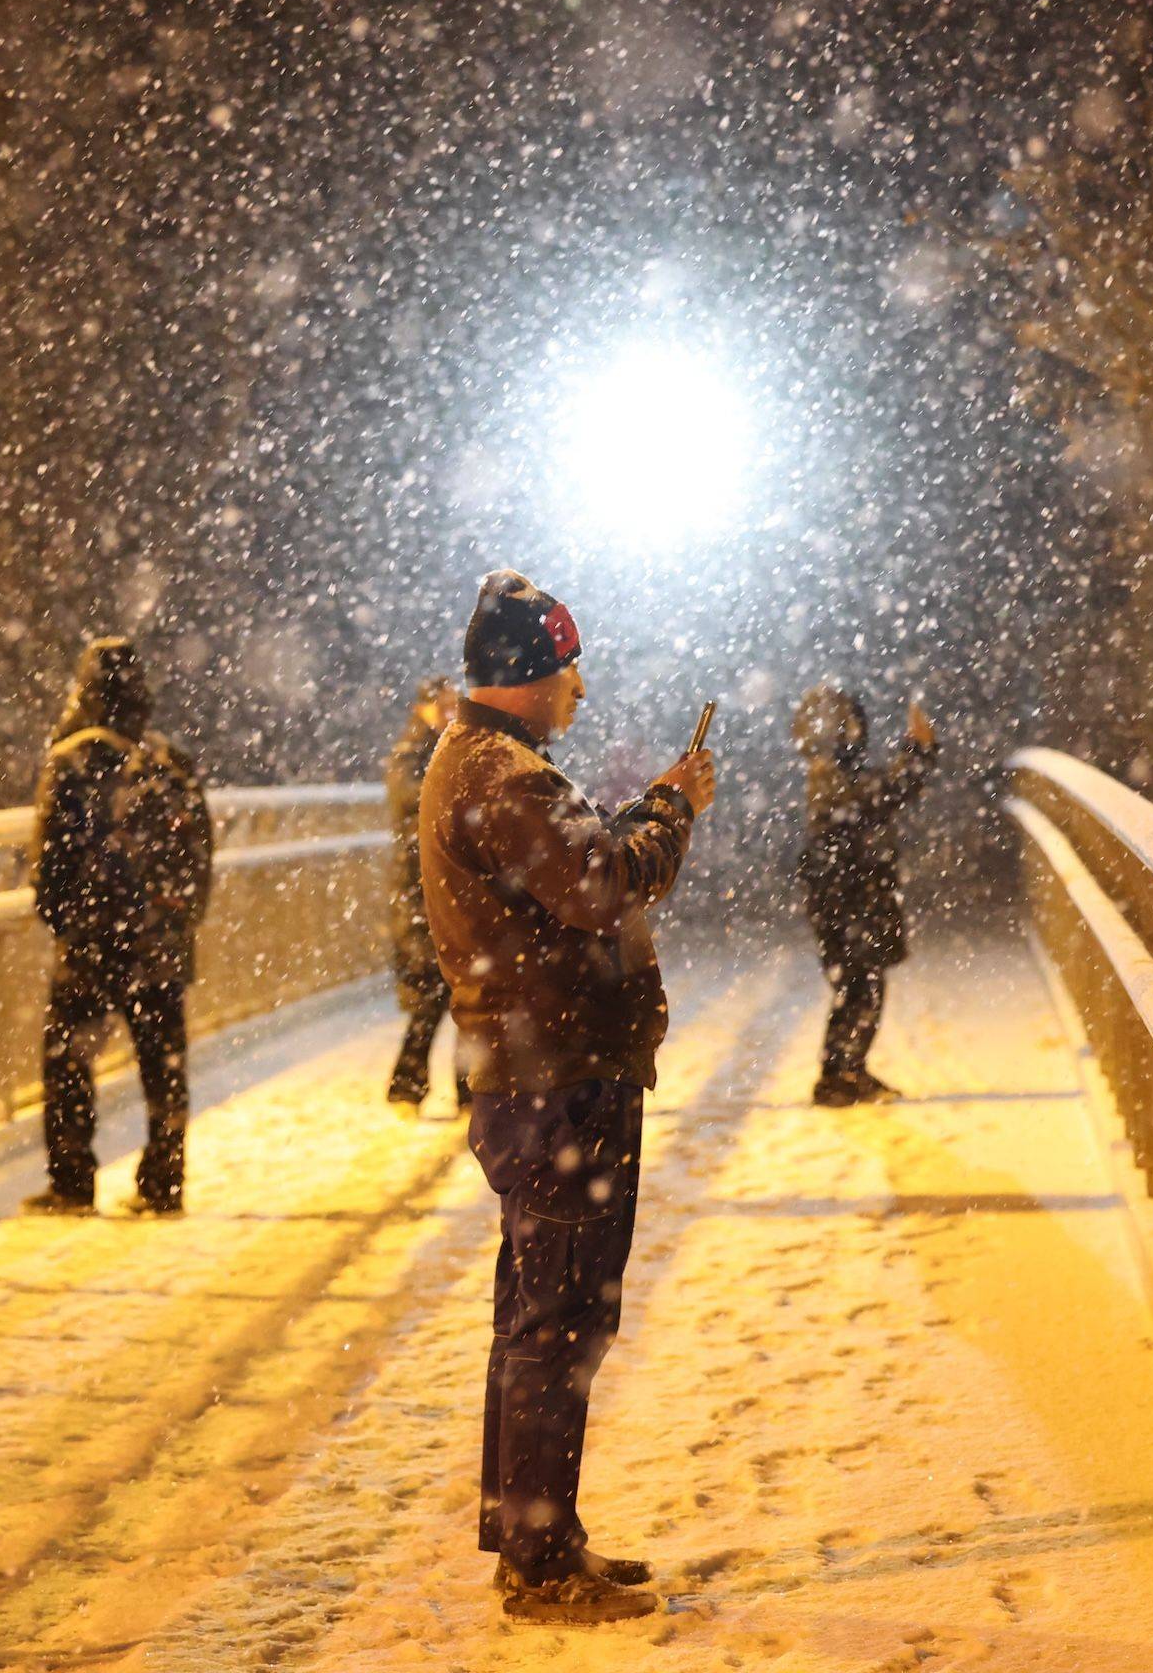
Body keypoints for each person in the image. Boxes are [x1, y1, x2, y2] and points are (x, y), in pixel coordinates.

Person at [420, 570, 715, 1626]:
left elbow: (579, 864)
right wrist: (675, 807)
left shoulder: (495, 767)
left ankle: (539, 1533)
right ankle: (541, 1563)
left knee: (538, 1314)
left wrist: (646, 808)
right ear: (530, 674)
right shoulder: (506, 775)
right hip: (559, 1086)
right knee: (559, 1319)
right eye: (568, 665)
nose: (580, 685)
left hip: (544, 1077)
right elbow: (598, 884)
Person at [24, 636, 213, 1218]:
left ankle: (73, 1180)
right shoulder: (169, 761)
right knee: (163, 1063)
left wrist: (69, 925)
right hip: (158, 944)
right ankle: (163, 1181)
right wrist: (174, 923)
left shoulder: (71, 762)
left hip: (91, 945)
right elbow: (201, 855)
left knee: (69, 1059)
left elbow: (49, 863)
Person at [794, 684, 938, 1107]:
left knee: (859, 985)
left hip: (849, 893)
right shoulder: (829, 777)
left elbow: (880, 794)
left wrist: (916, 755)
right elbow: (881, 795)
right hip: (849, 895)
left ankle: (845, 1070)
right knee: (861, 985)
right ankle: (839, 1075)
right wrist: (917, 754)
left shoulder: (831, 774)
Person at [383, 676, 462, 1114]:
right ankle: (412, 1085)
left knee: (451, 993)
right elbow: (409, 798)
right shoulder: (413, 753)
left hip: (432, 888)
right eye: (446, 705)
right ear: (426, 708)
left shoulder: (430, 748)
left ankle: (418, 1086)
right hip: (423, 891)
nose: (453, 712)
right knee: (438, 994)